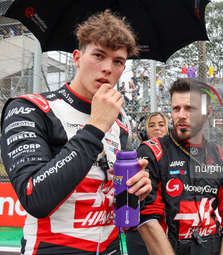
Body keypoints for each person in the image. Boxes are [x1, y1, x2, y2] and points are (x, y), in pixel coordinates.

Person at [0, 10, 152, 255]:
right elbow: (35, 198)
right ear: (77, 57)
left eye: (118, 61)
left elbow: (116, 200)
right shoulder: (31, 109)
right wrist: (95, 128)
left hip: (111, 248)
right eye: (99, 55)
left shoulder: (121, 124)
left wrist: (137, 189)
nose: (107, 68)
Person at [137, 78, 223, 255]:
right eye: (176, 108)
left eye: (190, 108)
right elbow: (147, 215)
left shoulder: (222, 157)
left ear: (207, 112)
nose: (181, 115)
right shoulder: (152, 151)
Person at [126, 112, 170, 255]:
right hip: (147, 226)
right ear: (144, 132)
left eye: (161, 124)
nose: (157, 128)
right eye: (152, 125)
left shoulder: (173, 153)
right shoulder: (145, 149)